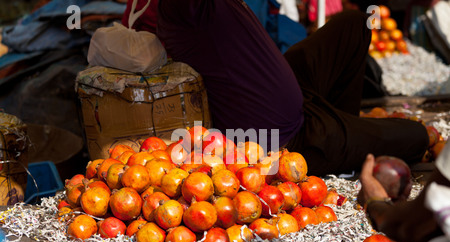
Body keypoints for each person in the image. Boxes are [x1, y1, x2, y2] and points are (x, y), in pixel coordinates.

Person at [156, 1, 429, 177]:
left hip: (292, 97)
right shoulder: (190, 9)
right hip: (287, 139)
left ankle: (347, 129)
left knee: (356, 23)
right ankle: (344, 144)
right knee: (417, 136)